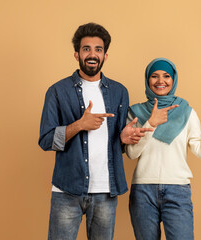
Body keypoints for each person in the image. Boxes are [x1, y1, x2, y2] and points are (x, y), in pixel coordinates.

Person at [38, 22, 151, 240]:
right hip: (67, 189)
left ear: (105, 56)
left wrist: (123, 139)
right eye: (86, 48)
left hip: (106, 192)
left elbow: (116, 146)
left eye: (98, 49)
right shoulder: (57, 91)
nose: (92, 54)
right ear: (76, 54)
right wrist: (79, 124)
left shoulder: (119, 92)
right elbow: (46, 140)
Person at [124, 57, 201, 240]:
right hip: (143, 191)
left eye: (166, 76)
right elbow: (132, 153)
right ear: (147, 80)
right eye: (154, 76)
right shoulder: (135, 112)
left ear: (174, 79)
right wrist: (150, 124)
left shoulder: (186, 112)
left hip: (177, 190)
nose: (160, 81)